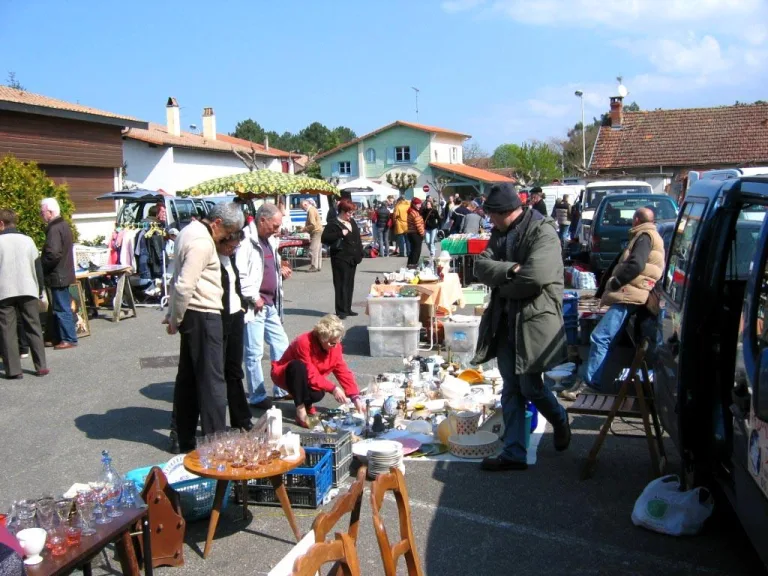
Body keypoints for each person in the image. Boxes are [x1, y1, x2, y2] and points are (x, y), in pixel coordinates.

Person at [473, 182, 571, 471]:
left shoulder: (543, 231)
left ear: (504, 212)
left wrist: (502, 284)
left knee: (531, 386)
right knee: (511, 388)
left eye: (491, 215)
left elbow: (536, 278)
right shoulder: (499, 232)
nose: (489, 220)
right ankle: (514, 453)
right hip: (505, 321)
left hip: (533, 321)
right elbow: (480, 265)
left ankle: (560, 420)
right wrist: (510, 269)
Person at [164, 202, 244, 453]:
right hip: (204, 314)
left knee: (188, 379)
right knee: (212, 382)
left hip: (194, 314)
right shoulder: (202, 241)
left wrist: (176, 314)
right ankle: (216, 441)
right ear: (218, 223)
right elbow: (185, 284)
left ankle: (185, 438)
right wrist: (174, 318)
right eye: (228, 231)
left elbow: (178, 279)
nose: (229, 238)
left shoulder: (189, 231)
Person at [561, 207, 665, 400]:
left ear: (636, 220)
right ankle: (589, 378)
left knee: (600, 337)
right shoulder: (651, 235)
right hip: (635, 293)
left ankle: (590, 383)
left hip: (630, 294)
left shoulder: (644, 236)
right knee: (606, 338)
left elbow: (636, 265)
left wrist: (617, 282)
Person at [237, 203, 293, 408]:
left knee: (281, 344)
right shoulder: (246, 240)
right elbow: (240, 273)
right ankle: (257, 395)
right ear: (262, 220)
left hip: (270, 303)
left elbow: (270, 265)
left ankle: (281, 387)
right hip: (255, 305)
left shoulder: (269, 240)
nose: (277, 230)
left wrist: (281, 270)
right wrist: (253, 297)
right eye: (275, 225)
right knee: (254, 352)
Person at [271, 314, 365, 428]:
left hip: (307, 377)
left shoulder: (335, 346)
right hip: (286, 375)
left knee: (318, 393)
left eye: (337, 342)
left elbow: (342, 370)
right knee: (298, 366)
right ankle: (300, 410)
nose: (335, 346)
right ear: (321, 338)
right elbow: (310, 373)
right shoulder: (303, 342)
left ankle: (307, 403)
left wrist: (354, 396)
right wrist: (333, 389)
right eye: (331, 343)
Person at [0, 209, 49, 379]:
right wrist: (40, 289)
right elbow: (38, 267)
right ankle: (41, 366)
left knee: (7, 331)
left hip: (4, 291)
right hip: (28, 288)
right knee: (33, 326)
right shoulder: (28, 241)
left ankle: (14, 370)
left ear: (1, 224)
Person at [217, 228, 253, 430]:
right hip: (218, 318)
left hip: (235, 316)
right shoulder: (212, 259)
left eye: (235, 247)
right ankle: (216, 422)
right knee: (217, 373)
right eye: (230, 246)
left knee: (234, 369)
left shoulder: (230, 259)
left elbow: (235, 283)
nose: (233, 250)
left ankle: (241, 418)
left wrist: (242, 306)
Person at [40, 198, 78, 350]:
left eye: (42, 212)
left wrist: (43, 264)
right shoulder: (63, 225)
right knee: (59, 307)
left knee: (62, 307)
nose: (41, 215)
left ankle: (69, 338)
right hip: (63, 272)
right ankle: (56, 336)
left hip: (58, 274)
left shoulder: (54, 228)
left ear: (50, 212)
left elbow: (54, 253)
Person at [321, 199, 363, 319]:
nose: (351, 215)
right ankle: (341, 310)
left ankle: (348, 308)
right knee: (341, 284)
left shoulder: (352, 221)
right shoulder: (333, 223)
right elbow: (324, 239)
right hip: (340, 257)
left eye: (352, 213)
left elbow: (357, 238)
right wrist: (340, 234)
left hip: (352, 258)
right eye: (349, 212)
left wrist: (360, 253)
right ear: (342, 211)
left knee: (350, 283)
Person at [300, 199, 324, 272]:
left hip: (316, 231)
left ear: (305, 205)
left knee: (313, 249)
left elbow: (313, 224)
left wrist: (304, 229)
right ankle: (318, 266)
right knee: (318, 249)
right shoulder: (313, 209)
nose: (302, 209)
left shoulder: (311, 210)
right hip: (319, 230)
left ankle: (314, 266)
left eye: (302, 207)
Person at [406, 198, 425, 268]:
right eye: (418, 204)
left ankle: (409, 266)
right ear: (414, 204)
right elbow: (418, 225)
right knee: (416, 251)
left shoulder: (411, 211)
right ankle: (413, 266)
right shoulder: (414, 213)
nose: (420, 206)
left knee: (413, 251)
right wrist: (422, 234)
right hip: (415, 234)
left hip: (411, 233)